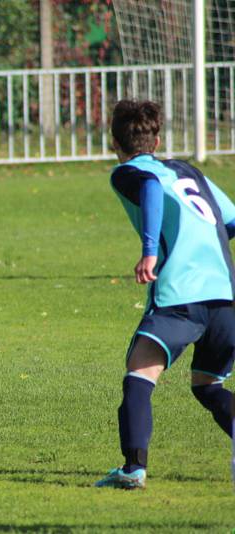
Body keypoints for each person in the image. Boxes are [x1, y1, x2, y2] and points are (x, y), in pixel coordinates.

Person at [95, 99, 235, 489]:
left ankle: (133, 469)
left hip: (181, 295)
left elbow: (151, 189)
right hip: (225, 294)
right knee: (208, 386)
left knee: (139, 372)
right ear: (156, 139)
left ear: (113, 141)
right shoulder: (188, 171)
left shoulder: (128, 171)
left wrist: (150, 251)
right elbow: (230, 219)